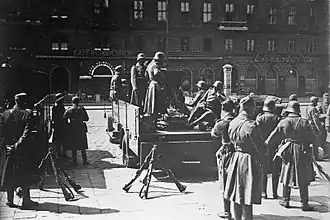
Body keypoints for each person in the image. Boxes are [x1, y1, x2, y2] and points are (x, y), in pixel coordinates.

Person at [265, 101, 315, 211]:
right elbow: (312, 137)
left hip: (287, 149)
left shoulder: (284, 122)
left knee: (286, 172)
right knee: (302, 175)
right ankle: (304, 203)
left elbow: (273, 135)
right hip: (302, 150)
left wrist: (267, 144)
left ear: (288, 110)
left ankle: (285, 200)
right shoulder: (304, 122)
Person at [223, 96, 265, 220]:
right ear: (250, 108)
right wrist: (261, 161)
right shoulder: (251, 125)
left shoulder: (232, 122)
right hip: (248, 160)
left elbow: (229, 140)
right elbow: (260, 147)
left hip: (235, 158)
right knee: (247, 194)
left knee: (236, 194)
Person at [0, 93, 38, 209]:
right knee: (24, 173)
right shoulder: (27, 115)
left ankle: (9, 200)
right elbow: (26, 134)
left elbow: (1, 132)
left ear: (15, 101)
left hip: (7, 149)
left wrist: (6, 146)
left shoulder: (5, 114)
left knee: (8, 173)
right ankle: (26, 201)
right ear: (25, 102)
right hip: (22, 150)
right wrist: (16, 146)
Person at [211, 99, 236, 219]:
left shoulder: (221, 123)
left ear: (223, 109)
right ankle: (238, 211)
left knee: (225, 182)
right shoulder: (237, 121)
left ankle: (227, 211)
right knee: (237, 182)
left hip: (226, 154)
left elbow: (213, 134)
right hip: (238, 153)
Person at [256, 97, 281, 199]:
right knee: (275, 171)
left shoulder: (260, 118)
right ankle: (274, 193)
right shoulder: (277, 118)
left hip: (263, 147)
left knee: (264, 171)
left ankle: (263, 192)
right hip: (275, 147)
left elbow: (256, 132)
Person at [63, 96, 89, 165]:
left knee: (73, 145)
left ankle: (74, 161)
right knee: (83, 145)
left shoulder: (69, 110)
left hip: (73, 129)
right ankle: (84, 161)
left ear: (72, 102)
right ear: (78, 102)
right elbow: (86, 118)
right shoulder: (82, 109)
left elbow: (64, 117)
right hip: (81, 128)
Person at [143, 52, 167, 124]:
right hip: (156, 86)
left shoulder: (149, 65)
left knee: (151, 105)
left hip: (151, 85)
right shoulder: (155, 66)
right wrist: (162, 77)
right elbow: (156, 73)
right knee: (156, 104)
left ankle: (153, 121)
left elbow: (146, 76)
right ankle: (155, 121)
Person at [304, 96, 324, 160]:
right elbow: (316, 120)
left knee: (309, 142)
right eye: (316, 102)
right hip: (313, 127)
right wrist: (319, 129)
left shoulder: (307, 107)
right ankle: (315, 156)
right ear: (314, 102)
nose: (317, 103)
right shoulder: (313, 109)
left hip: (308, 126)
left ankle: (310, 156)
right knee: (315, 142)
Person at [52, 93, 68, 159]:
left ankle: (63, 154)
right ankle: (58, 154)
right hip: (58, 126)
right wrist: (63, 117)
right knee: (58, 141)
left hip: (62, 125)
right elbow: (54, 118)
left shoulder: (61, 105)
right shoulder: (55, 107)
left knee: (64, 140)